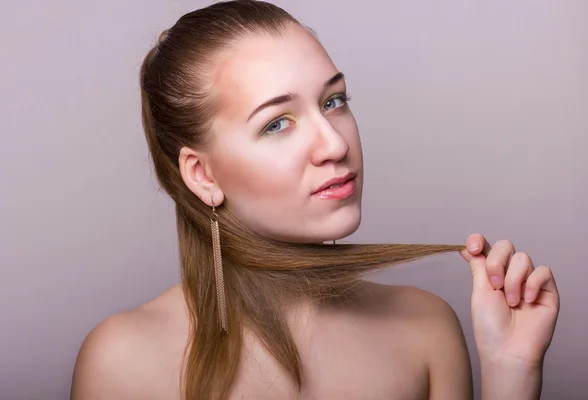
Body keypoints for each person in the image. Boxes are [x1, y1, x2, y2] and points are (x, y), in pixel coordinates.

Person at [70, 1, 560, 399]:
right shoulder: (122, 362)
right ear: (202, 175)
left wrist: (510, 372)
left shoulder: (425, 330)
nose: (336, 144)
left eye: (334, 101)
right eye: (277, 123)